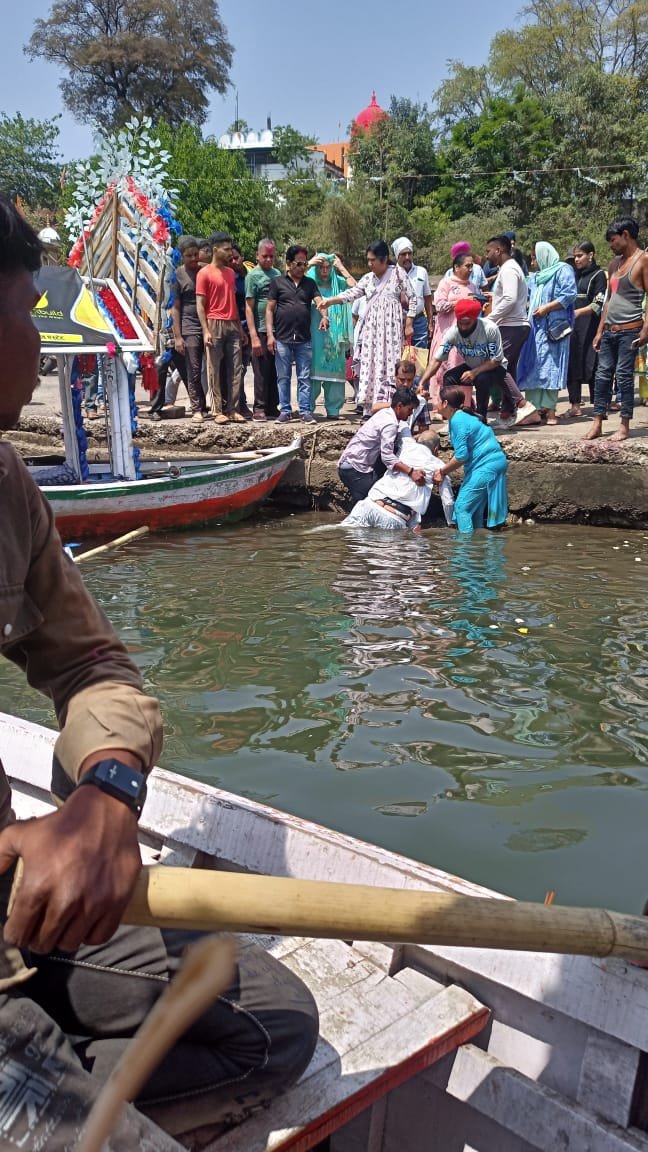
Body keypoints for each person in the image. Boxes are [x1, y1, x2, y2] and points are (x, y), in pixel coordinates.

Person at [0, 195, 319, 1149]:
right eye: (25, 311)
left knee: (269, 1020)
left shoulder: (7, 489)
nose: (37, 340)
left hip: (15, 917)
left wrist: (106, 792)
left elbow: (94, 664)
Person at [319, 240, 417, 416]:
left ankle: (392, 406)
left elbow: (413, 298)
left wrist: (409, 322)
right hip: (371, 330)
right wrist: (330, 301)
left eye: (373, 260)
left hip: (391, 330)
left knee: (390, 364)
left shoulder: (398, 273)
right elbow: (352, 293)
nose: (370, 264)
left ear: (384, 259)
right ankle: (369, 408)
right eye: (368, 260)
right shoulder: (367, 278)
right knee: (371, 364)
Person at [584, 217, 648, 442]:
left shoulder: (643, 260)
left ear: (626, 235)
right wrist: (599, 330)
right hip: (610, 330)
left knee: (623, 376)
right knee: (601, 375)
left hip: (630, 330)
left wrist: (646, 328)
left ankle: (624, 425)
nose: (611, 245)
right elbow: (608, 301)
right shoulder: (614, 265)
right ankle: (597, 422)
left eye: (613, 240)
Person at [419, 296, 519, 423]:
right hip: (472, 366)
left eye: (467, 323)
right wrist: (422, 382)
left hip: (495, 368)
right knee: (449, 377)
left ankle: (481, 419)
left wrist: (474, 372)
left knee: (482, 378)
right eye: (460, 323)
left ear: (475, 319)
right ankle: (455, 416)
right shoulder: (453, 333)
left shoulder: (489, 329)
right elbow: (437, 360)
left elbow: (496, 360)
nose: (463, 327)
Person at [340, 429, 455, 531]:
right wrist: (451, 523)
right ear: (436, 449)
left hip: (368, 505)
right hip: (393, 517)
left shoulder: (406, 446)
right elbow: (448, 501)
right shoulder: (439, 467)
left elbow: (403, 428)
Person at [433, 385, 508, 533]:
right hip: (494, 462)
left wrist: (442, 471)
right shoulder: (460, 417)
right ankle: (477, 543)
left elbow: (461, 456)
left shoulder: (457, 420)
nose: (434, 402)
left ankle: (465, 546)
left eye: (437, 399)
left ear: (445, 403)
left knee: (462, 508)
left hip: (487, 465)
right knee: (475, 513)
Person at [516, 241, 576, 427]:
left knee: (551, 369)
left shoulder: (562, 270)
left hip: (553, 330)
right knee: (533, 368)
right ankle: (534, 411)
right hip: (535, 330)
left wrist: (547, 308)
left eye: (535, 257)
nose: (533, 262)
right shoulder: (535, 277)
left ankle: (551, 412)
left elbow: (569, 294)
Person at [266, 244, 325, 424]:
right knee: (283, 377)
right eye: (298, 264)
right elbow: (269, 309)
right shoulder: (277, 282)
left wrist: (325, 316)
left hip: (303, 339)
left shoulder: (310, 283)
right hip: (282, 338)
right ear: (289, 263)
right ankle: (285, 411)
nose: (302, 268)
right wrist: (270, 335)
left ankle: (305, 412)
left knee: (304, 377)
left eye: (305, 264)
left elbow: (319, 302)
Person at [196, 232, 248, 424]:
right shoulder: (204, 273)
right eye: (226, 249)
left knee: (236, 368)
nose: (229, 253)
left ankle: (232, 409)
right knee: (214, 369)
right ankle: (217, 410)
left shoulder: (230, 273)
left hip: (232, 322)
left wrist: (240, 329)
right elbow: (200, 304)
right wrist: (205, 330)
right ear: (215, 249)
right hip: (214, 322)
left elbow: (232, 300)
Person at [484, 233, 535, 424]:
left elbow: (510, 298)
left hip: (513, 325)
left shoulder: (509, 270)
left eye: (489, 251)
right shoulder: (507, 269)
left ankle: (524, 406)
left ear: (499, 250)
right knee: (508, 367)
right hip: (511, 325)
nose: (487, 255)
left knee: (496, 364)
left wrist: (490, 319)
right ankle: (508, 410)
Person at [338, 387, 419, 504]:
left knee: (365, 501)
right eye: (410, 409)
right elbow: (387, 457)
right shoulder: (390, 423)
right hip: (355, 469)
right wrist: (411, 471)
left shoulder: (385, 413)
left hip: (348, 464)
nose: (411, 413)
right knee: (374, 500)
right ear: (399, 406)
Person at [306, 253, 355, 418]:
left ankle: (333, 410)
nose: (325, 271)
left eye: (328, 267)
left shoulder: (338, 283)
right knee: (312, 374)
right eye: (321, 267)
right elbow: (291, 280)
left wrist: (341, 267)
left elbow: (356, 287)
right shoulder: (309, 283)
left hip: (335, 337)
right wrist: (309, 263)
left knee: (335, 374)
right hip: (315, 336)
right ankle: (307, 408)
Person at [429, 252, 479, 412]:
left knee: (463, 371)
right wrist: (462, 302)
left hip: (466, 337)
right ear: (456, 267)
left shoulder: (472, 286)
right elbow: (439, 306)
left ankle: (464, 405)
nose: (470, 269)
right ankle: (440, 406)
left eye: (472, 266)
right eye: (467, 266)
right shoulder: (446, 283)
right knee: (443, 369)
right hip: (447, 333)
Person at [565, 241, 607, 418]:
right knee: (573, 364)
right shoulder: (573, 275)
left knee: (593, 365)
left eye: (580, 255)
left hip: (591, 327)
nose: (576, 259)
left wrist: (577, 312)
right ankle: (575, 405)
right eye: (575, 256)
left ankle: (599, 406)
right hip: (573, 329)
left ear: (591, 255)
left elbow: (598, 304)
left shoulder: (599, 275)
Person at [171, 234, 210, 423]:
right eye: (189, 256)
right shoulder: (178, 275)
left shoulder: (206, 270)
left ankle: (212, 406)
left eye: (196, 254)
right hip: (189, 326)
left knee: (213, 369)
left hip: (209, 324)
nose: (193, 258)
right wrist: (178, 336)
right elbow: (175, 308)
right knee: (193, 370)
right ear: (182, 256)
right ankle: (197, 408)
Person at [245, 238, 280, 421]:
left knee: (275, 371)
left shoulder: (277, 274)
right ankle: (259, 408)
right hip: (260, 330)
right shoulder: (253, 276)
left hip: (276, 330)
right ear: (257, 255)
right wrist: (254, 337)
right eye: (265, 256)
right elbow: (249, 307)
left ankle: (273, 407)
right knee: (261, 372)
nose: (268, 259)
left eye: (271, 256)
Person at [391, 237, 434, 348]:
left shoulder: (421, 271)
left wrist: (430, 322)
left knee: (419, 355)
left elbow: (427, 298)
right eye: (403, 254)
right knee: (398, 355)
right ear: (397, 256)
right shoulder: (391, 273)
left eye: (409, 253)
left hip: (419, 322)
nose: (407, 257)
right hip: (397, 322)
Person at [230, 242, 253, 419]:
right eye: (230, 258)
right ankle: (239, 404)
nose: (233, 261)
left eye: (236, 257)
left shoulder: (250, 274)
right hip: (234, 328)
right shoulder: (229, 277)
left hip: (251, 327)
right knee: (237, 369)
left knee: (244, 368)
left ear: (242, 257)